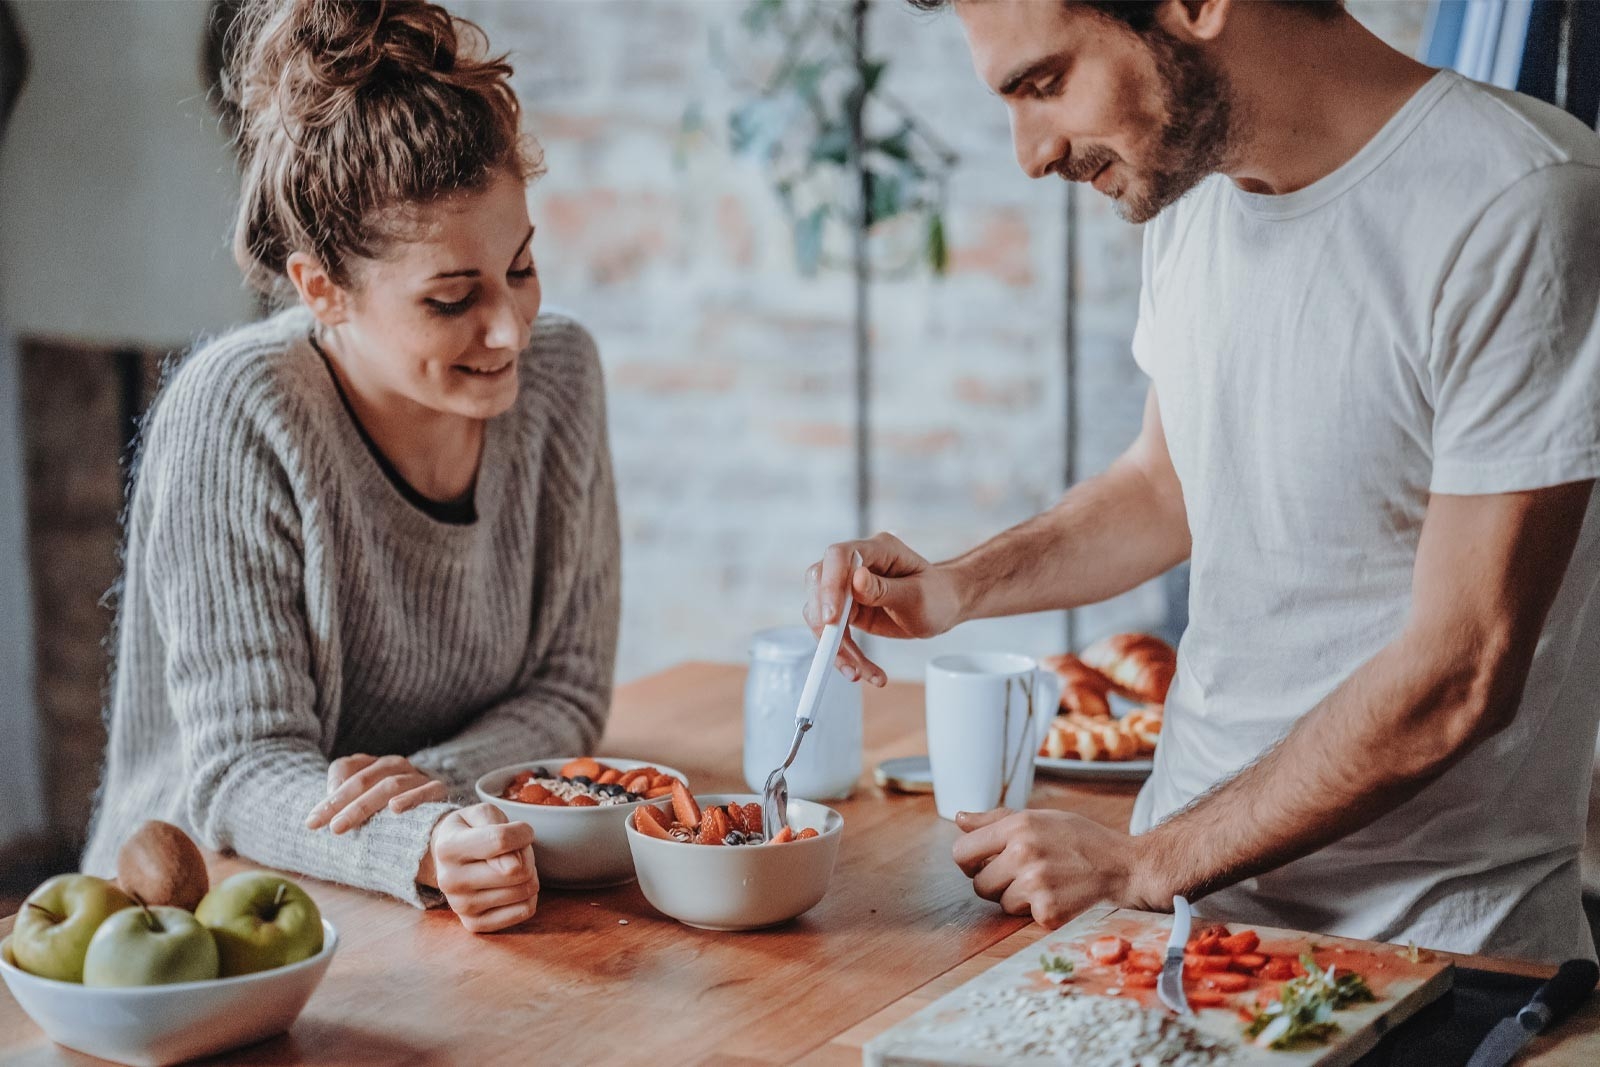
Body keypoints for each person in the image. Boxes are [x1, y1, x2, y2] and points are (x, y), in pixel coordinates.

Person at [807, 0, 1600, 963]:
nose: (1028, 151)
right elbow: (1166, 485)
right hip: (1182, 928)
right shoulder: (1194, 199)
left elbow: (1461, 672)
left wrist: (1145, 862)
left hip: (1433, 962)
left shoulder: (1522, 201)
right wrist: (956, 585)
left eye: (1045, 83)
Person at [82, 0, 620, 935]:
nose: (510, 329)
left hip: (421, 901)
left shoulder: (561, 376)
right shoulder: (239, 411)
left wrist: (446, 790)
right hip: (196, 924)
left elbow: (568, 688)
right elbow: (243, 770)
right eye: (451, 300)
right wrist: (422, 835)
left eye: (521, 268)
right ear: (321, 290)